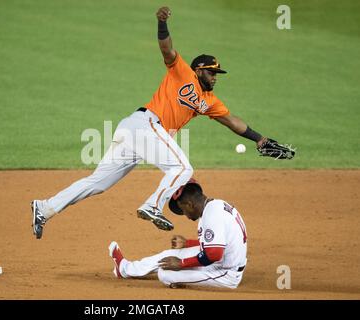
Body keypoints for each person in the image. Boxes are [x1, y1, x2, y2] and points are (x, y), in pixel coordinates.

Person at [30, 6, 293, 239]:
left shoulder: (209, 101)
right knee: (182, 168)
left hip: (138, 133)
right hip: (144, 125)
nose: (215, 77)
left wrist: (259, 139)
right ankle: (153, 205)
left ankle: (44, 207)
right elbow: (166, 49)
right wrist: (161, 23)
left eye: (217, 74)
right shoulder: (183, 73)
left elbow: (232, 121)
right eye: (211, 72)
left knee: (97, 183)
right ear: (199, 69)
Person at [109, 180, 247, 289]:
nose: (185, 215)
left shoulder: (212, 215)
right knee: (168, 255)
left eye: (183, 210)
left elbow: (214, 254)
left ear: (189, 204)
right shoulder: (215, 205)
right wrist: (187, 244)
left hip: (226, 273)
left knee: (165, 275)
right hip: (220, 260)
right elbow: (218, 243)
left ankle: (184, 279)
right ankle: (124, 269)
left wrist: (182, 263)